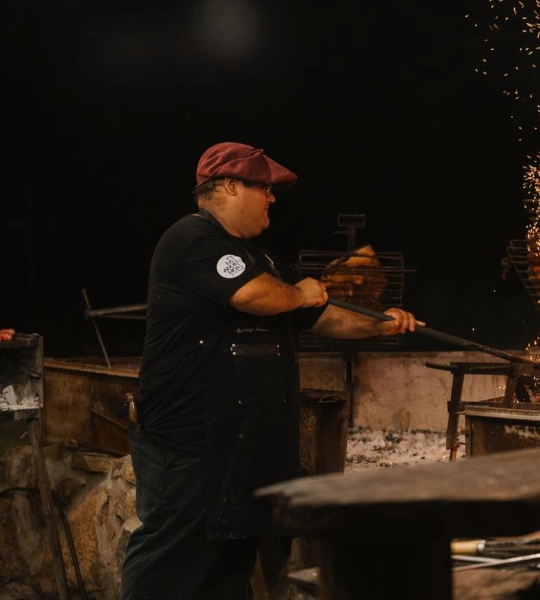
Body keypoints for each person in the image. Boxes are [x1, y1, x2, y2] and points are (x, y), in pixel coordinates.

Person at [119, 141, 422, 600]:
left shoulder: (262, 259)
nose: (273, 198)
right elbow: (254, 296)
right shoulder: (192, 239)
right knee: (170, 566)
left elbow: (321, 317)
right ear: (229, 185)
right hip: (188, 448)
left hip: (242, 448)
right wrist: (300, 293)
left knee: (227, 572)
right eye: (264, 187)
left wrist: (380, 324)